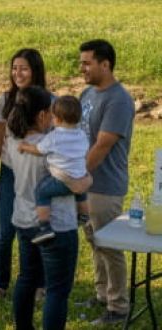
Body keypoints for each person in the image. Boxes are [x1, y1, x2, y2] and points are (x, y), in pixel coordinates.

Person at [8, 86, 80, 330]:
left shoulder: (14, 141)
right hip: (57, 226)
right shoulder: (51, 146)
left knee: (26, 278)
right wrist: (87, 182)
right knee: (57, 289)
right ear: (41, 116)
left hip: (24, 221)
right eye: (51, 113)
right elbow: (73, 182)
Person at [77, 39, 135, 326]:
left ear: (105, 64)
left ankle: (119, 307)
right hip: (86, 184)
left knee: (110, 247)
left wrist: (77, 175)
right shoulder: (87, 94)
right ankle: (102, 294)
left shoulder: (119, 99)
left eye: (87, 63)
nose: (82, 68)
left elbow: (103, 145)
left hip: (105, 185)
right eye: (81, 63)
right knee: (94, 240)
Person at [0, 48, 49, 301]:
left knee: (39, 228)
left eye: (23, 68)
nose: (17, 73)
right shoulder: (5, 100)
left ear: (35, 71)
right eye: (14, 68)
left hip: (39, 174)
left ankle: (39, 285)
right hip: (10, 171)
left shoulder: (48, 100)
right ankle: (0, 284)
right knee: (5, 232)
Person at [17, 96, 91, 244]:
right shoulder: (82, 135)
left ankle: (44, 227)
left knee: (41, 191)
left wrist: (24, 147)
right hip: (80, 178)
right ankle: (84, 215)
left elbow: (39, 150)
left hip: (62, 181)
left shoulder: (54, 137)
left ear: (56, 119)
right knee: (81, 194)